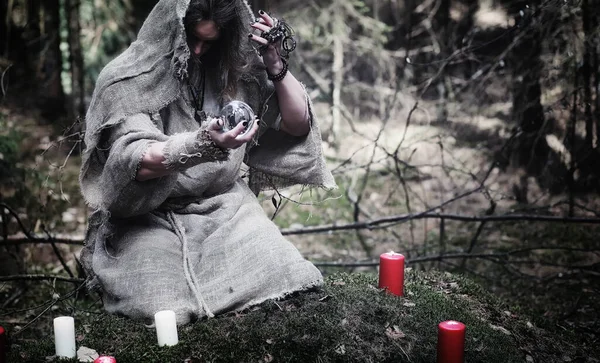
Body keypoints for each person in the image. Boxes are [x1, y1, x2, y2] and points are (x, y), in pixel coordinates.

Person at [78, 0, 336, 325]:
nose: (198, 50)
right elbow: (136, 160)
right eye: (191, 39)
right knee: (162, 308)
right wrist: (202, 144)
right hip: (149, 216)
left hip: (227, 209)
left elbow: (297, 124)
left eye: (210, 42)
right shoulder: (129, 79)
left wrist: (274, 62)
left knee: (287, 273)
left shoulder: (237, 71)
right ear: (171, 30)